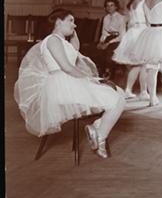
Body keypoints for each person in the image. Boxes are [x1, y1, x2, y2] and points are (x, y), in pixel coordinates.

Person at [14, 9, 125, 159]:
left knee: (119, 93)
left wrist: (72, 31)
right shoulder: (52, 40)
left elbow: (75, 50)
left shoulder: (62, 41)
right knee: (117, 99)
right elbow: (66, 67)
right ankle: (100, 136)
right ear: (58, 22)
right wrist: (90, 80)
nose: (75, 25)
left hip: (70, 82)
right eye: (71, 21)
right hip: (62, 85)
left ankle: (97, 128)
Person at [113, 0, 150, 99]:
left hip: (133, 32)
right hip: (141, 32)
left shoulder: (132, 3)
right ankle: (142, 92)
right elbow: (148, 20)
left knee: (138, 65)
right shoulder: (145, 2)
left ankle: (130, 90)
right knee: (143, 64)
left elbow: (127, 21)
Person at [96, 0, 126, 78]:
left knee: (109, 51)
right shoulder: (106, 18)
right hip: (108, 38)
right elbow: (104, 33)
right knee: (98, 50)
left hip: (118, 39)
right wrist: (101, 42)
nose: (109, 7)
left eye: (112, 5)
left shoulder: (121, 18)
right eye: (107, 5)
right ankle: (101, 72)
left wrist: (108, 43)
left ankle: (109, 72)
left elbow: (122, 35)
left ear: (116, 7)